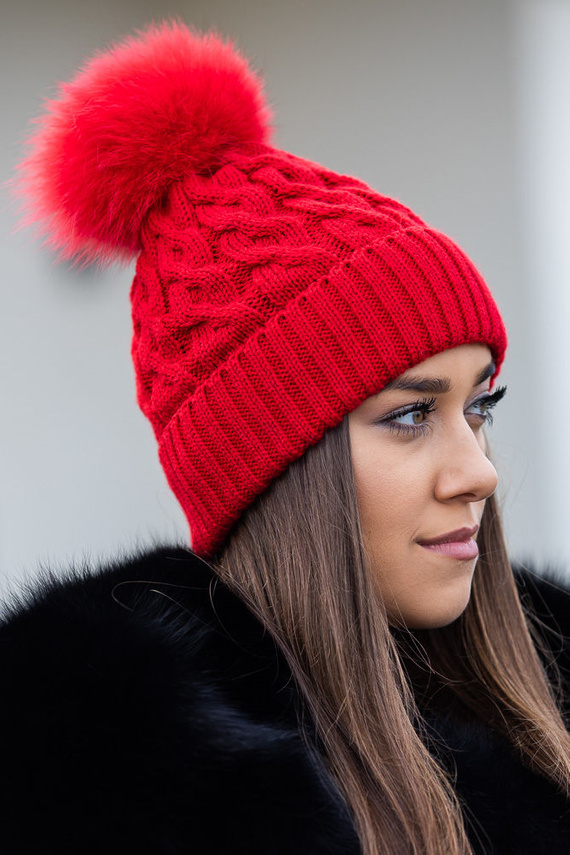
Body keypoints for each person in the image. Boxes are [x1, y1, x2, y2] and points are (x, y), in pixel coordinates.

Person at [2, 20, 569, 855]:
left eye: (479, 405)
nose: (478, 471)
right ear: (271, 468)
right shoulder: (117, 795)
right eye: (411, 414)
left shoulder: (540, 707)